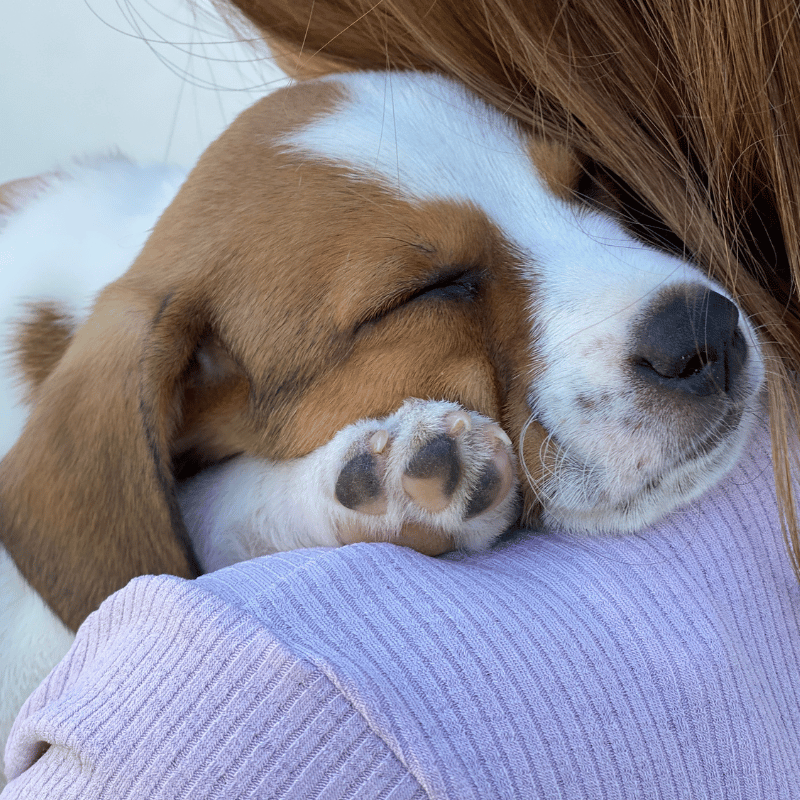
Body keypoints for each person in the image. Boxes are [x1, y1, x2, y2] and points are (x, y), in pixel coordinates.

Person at [4, 1, 800, 796]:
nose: (680, 310)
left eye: (583, 190)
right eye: (440, 288)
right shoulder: (144, 366)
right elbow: (86, 646)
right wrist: (259, 516)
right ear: (198, 390)